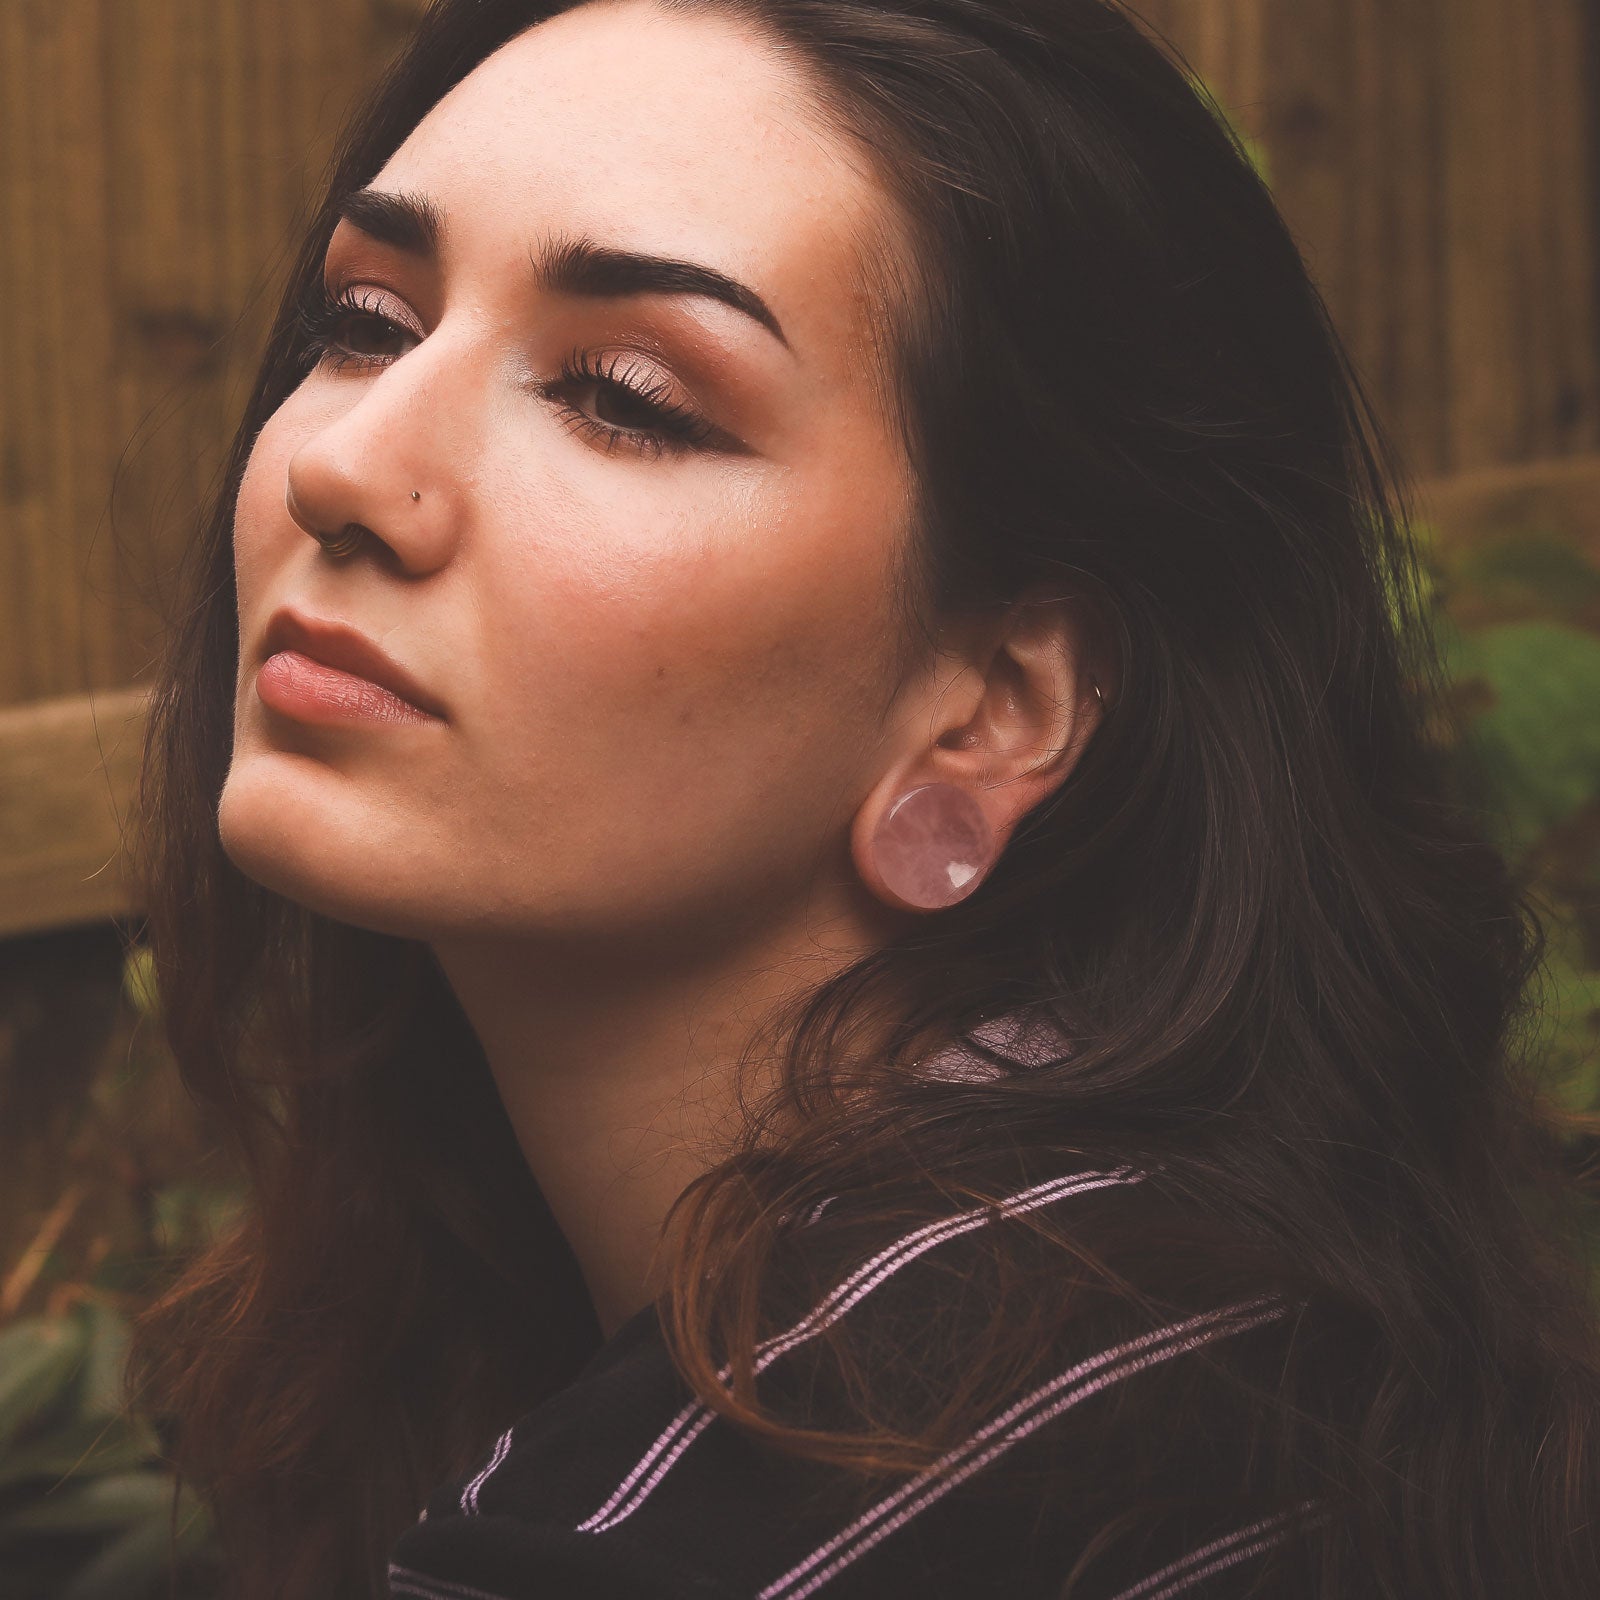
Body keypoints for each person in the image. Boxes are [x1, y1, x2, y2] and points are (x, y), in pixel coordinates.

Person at [125, 0, 1600, 1595]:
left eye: (622, 394)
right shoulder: (1189, 1319)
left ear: (990, 709)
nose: (346, 465)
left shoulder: (881, 1496)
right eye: (365, 322)